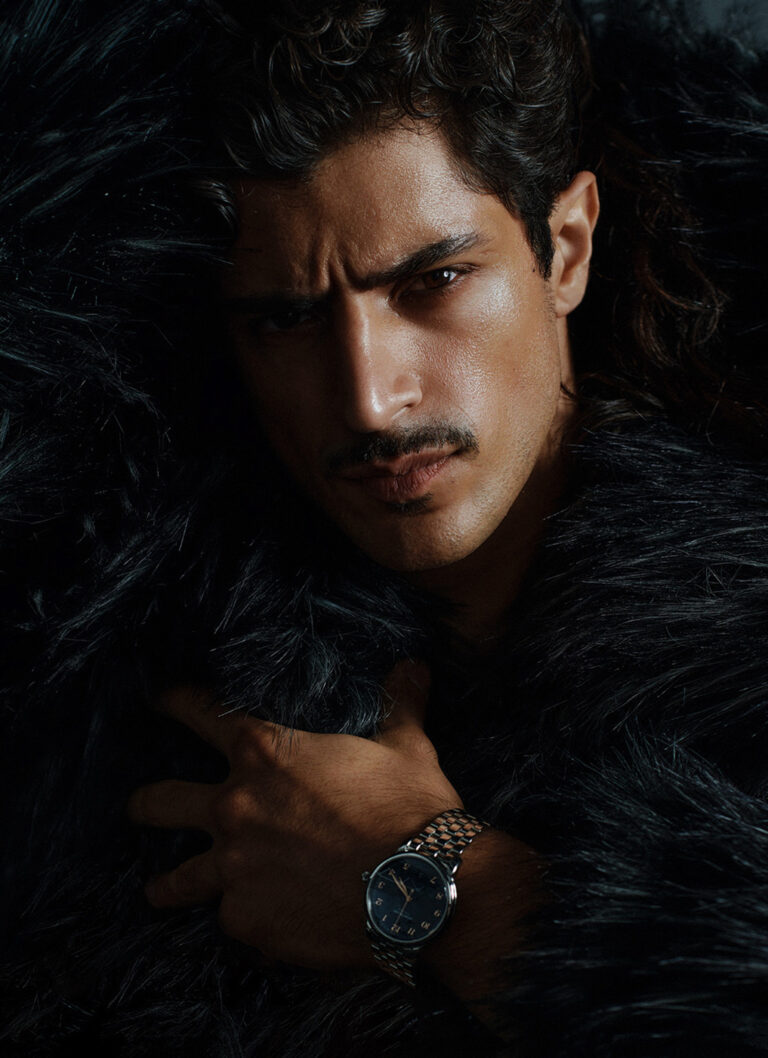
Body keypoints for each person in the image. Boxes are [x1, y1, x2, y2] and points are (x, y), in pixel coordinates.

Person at [2, 0, 768, 1055]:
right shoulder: (134, 685)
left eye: (432, 281)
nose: (369, 399)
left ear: (565, 249)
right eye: (287, 318)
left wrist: (421, 873)